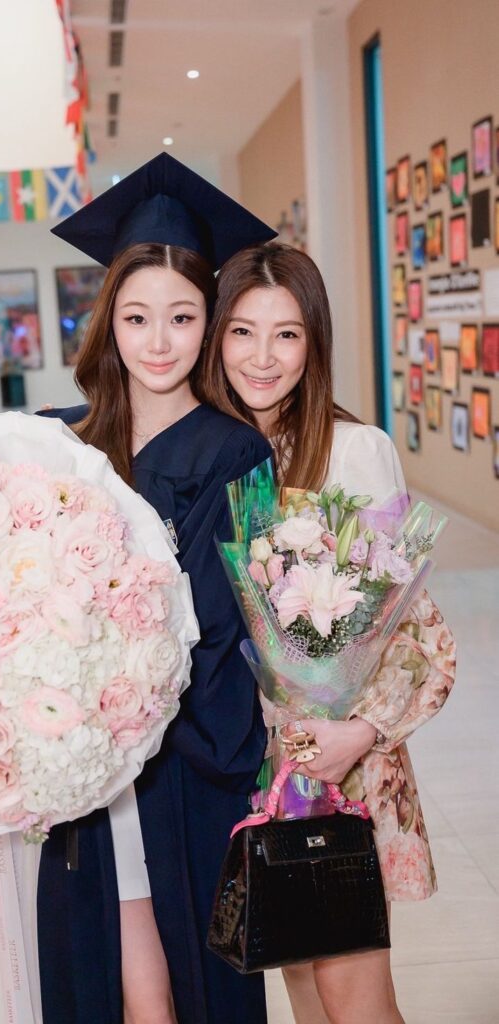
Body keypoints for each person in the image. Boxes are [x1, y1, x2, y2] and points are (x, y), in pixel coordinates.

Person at [37, 152, 276, 1024]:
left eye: (182, 316)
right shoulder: (58, 446)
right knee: (117, 984)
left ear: (209, 322)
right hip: (83, 772)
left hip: (187, 768)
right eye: (137, 317)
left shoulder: (237, 453)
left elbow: (234, 626)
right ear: (110, 322)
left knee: (189, 984)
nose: (159, 340)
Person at [201, 242, 456, 1024]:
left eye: (286, 333)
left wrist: (359, 730)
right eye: (242, 331)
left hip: (342, 758)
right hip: (256, 763)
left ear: (314, 342)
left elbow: (405, 627)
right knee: (305, 991)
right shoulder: (210, 456)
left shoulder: (355, 450)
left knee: (355, 997)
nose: (262, 356)